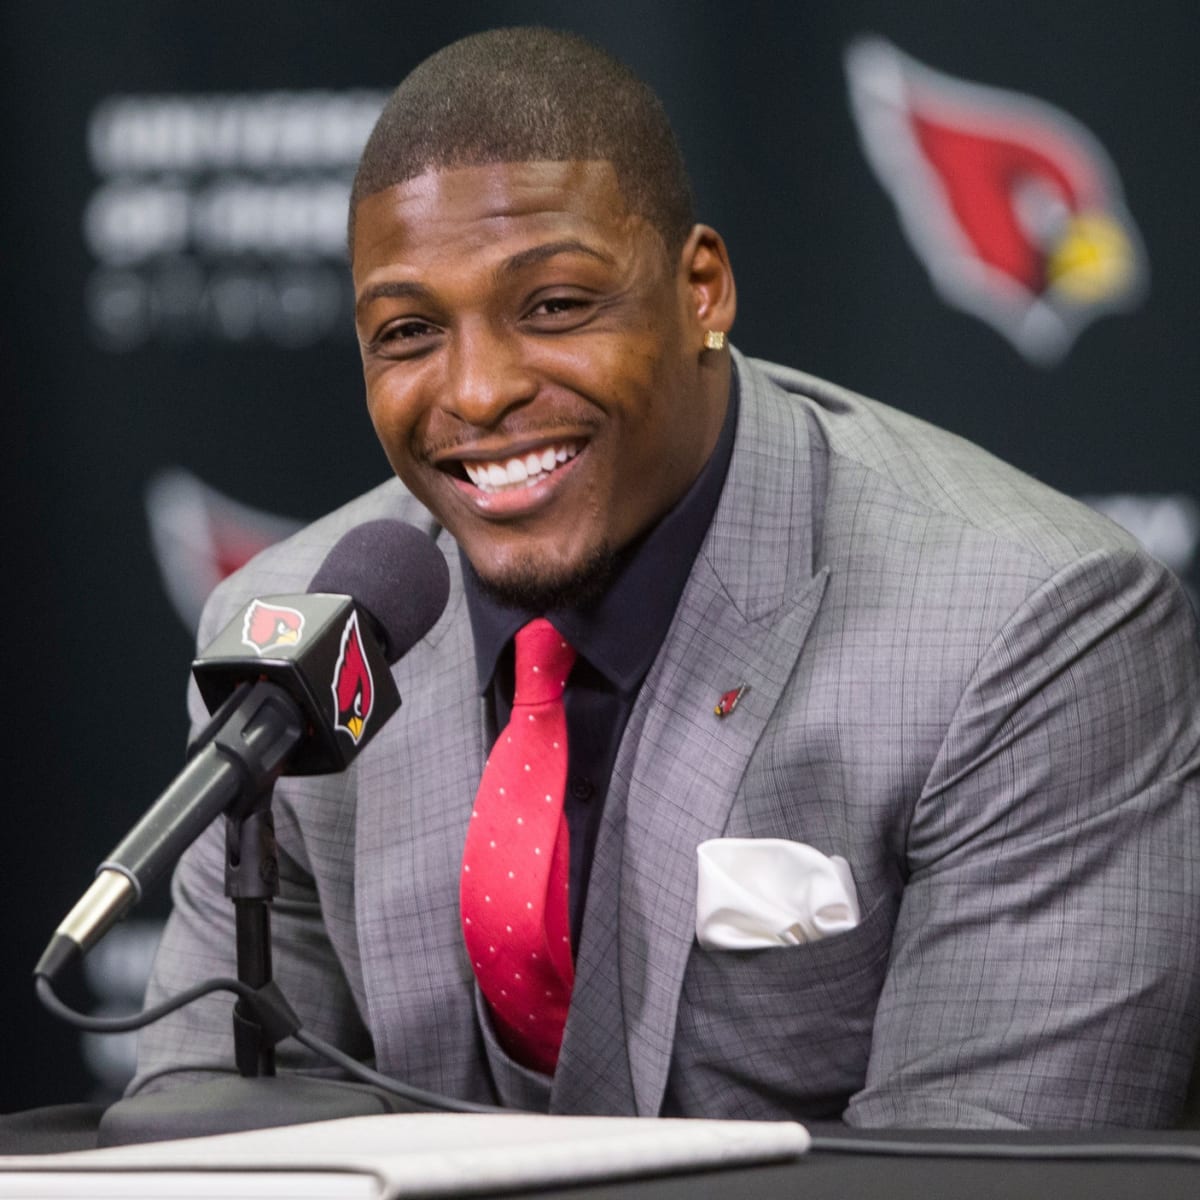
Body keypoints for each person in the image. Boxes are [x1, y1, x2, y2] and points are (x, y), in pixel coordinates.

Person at [130, 27, 1200, 1128]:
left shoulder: (1029, 627)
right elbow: (208, 1133)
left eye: (552, 306)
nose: (480, 390)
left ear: (702, 291)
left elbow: (979, 1173)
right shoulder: (299, 640)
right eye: (408, 331)